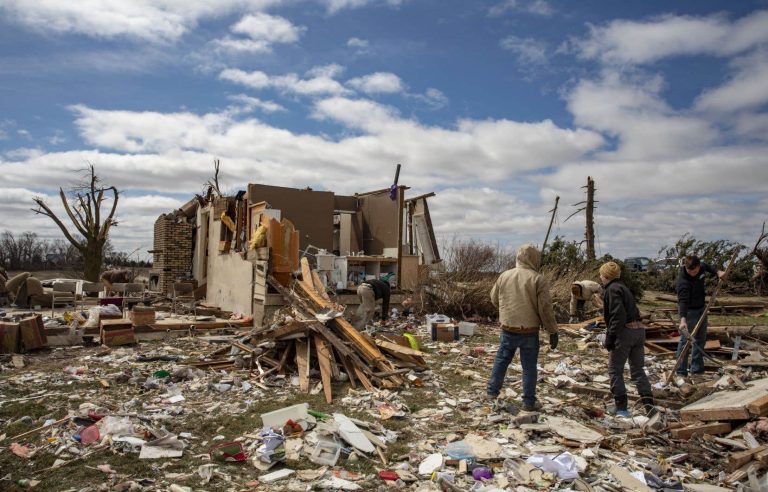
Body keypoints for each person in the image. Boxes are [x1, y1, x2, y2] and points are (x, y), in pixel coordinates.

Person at [486, 244, 558, 412]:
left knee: (502, 360)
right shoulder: (538, 279)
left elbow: (494, 298)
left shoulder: (505, 275)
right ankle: (528, 402)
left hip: (508, 327)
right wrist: (552, 331)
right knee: (529, 366)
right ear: (534, 258)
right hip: (529, 330)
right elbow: (545, 309)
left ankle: (491, 392)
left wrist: (506, 311)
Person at [600, 261, 654, 417]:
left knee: (615, 369)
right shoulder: (624, 287)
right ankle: (649, 406)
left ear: (606, 276)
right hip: (639, 331)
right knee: (637, 370)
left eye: (602, 275)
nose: (601, 278)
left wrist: (610, 336)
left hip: (626, 333)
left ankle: (621, 408)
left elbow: (618, 314)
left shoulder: (612, 290)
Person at [675, 255, 726, 377]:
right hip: (689, 312)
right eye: (690, 271)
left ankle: (696, 369)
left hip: (702, 308)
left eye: (695, 271)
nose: (693, 273)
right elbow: (682, 301)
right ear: (685, 267)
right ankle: (681, 372)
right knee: (685, 341)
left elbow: (707, 266)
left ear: (698, 267)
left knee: (700, 339)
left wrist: (718, 272)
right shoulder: (683, 282)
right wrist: (683, 320)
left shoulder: (701, 267)